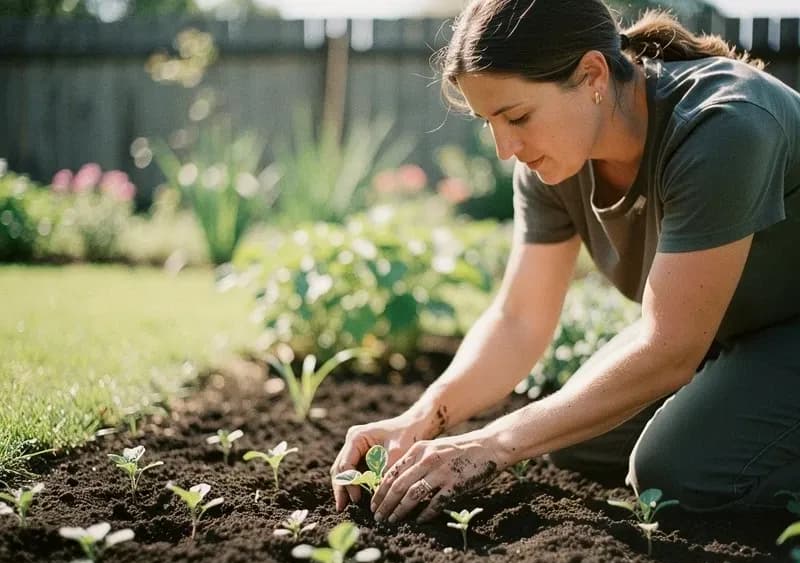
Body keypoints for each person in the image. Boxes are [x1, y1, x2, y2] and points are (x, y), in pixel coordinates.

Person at [330, 0, 800, 524]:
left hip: (786, 327)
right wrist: (421, 420)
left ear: (592, 74)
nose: (505, 148)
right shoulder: (556, 161)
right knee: (574, 441)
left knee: (675, 472)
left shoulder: (722, 126)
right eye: (490, 122)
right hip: (738, 332)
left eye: (518, 116)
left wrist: (491, 443)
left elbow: (671, 348)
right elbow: (519, 320)